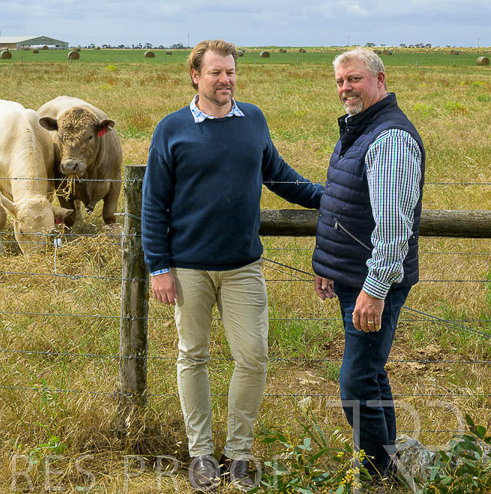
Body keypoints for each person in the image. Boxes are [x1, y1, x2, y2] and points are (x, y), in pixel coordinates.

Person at [141, 40, 323, 491]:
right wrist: (158, 267)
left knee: (254, 357)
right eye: (216, 72)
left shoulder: (253, 120)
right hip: (188, 267)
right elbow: (154, 203)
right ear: (195, 76)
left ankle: (238, 453)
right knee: (193, 356)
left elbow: (279, 176)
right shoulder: (172, 129)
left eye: (231, 72)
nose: (226, 80)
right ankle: (201, 453)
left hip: (243, 266)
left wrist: (331, 197)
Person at [312, 48, 425, 483]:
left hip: (374, 283)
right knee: (370, 376)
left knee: (356, 381)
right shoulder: (360, 128)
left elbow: (393, 230)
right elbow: (345, 203)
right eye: (340, 81)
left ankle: (377, 475)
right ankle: (391, 468)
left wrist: (375, 290)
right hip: (354, 276)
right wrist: (330, 263)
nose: (346, 89)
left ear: (380, 79)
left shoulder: (390, 138)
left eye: (354, 79)